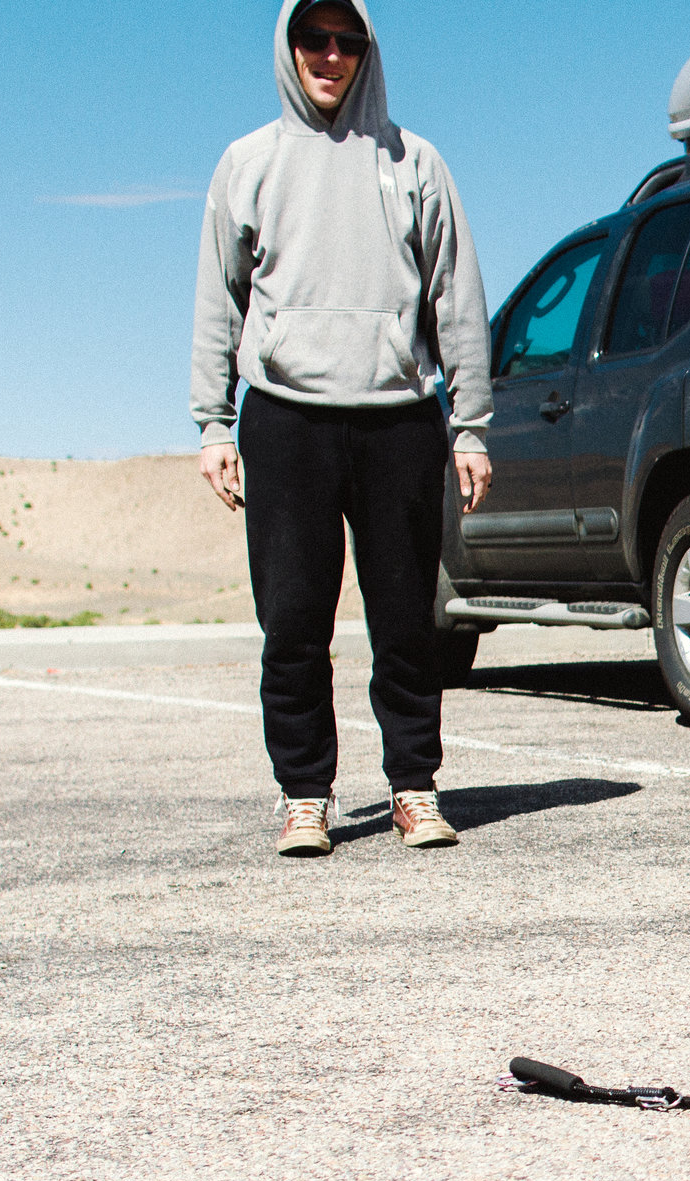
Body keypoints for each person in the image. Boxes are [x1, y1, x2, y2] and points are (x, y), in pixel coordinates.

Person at [192, 0, 494, 857]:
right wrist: (215, 423)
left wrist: (469, 428)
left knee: (405, 618)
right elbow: (218, 300)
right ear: (288, 48)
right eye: (312, 38)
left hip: (399, 418)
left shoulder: (415, 162)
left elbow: (456, 299)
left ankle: (414, 788)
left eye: (346, 40)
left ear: (367, 50)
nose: (330, 54)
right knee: (293, 620)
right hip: (286, 420)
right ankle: (304, 794)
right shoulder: (247, 164)